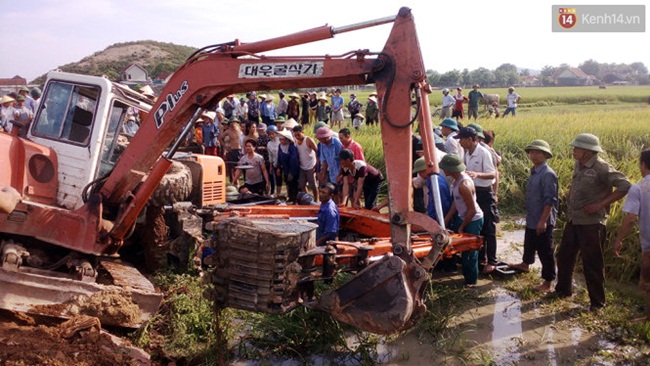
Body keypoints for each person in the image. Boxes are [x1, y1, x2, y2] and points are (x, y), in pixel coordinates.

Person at [555, 133, 631, 310]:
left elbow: (625, 185)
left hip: (592, 224)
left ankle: (597, 303)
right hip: (574, 220)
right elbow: (576, 182)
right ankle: (563, 290)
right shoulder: (579, 164)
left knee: (592, 263)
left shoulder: (602, 167)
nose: (573, 151)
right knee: (564, 257)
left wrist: (601, 204)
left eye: (576, 148)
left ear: (588, 152)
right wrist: (571, 192)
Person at [508, 140, 558, 292]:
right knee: (529, 241)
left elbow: (550, 200)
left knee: (545, 250)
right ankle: (525, 265)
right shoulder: (534, 170)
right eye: (532, 152)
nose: (534, 155)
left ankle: (548, 282)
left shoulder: (548, 174)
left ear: (545, 155)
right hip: (532, 216)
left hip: (543, 219)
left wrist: (542, 221)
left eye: (538, 153)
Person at [454, 127, 498, 273]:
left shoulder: (484, 153)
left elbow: (493, 174)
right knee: (476, 225)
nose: (459, 142)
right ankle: (480, 258)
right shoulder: (467, 152)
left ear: (470, 140)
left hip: (485, 193)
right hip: (473, 192)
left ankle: (492, 261)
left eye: (461, 140)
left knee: (489, 228)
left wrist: (477, 175)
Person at [613, 149, 650, 320]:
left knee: (647, 283)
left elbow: (631, 218)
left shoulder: (639, 188)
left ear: (642, 164)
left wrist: (619, 239)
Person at [441, 154, 484, 286]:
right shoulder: (456, 181)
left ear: (450, 169)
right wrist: (445, 220)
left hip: (473, 220)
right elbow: (456, 203)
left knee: (470, 252)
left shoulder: (463, 185)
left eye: (445, 168)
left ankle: (471, 283)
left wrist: (461, 227)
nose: (443, 170)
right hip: (463, 217)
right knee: (455, 245)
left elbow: (472, 210)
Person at [292, 125, 319, 202]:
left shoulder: (308, 140)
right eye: (295, 135)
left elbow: (317, 151)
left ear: (302, 132)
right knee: (302, 185)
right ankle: (308, 199)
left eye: (298, 134)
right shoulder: (295, 141)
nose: (297, 136)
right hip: (302, 166)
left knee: (313, 185)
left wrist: (316, 165)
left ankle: (316, 200)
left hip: (311, 165)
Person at [276, 129, 300, 203]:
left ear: (286, 140)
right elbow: (279, 157)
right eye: (280, 139)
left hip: (293, 169)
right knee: (288, 183)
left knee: (294, 184)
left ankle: (295, 199)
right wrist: (278, 167)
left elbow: (294, 160)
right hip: (285, 168)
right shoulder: (280, 146)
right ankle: (290, 197)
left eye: (282, 139)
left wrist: (292, 172)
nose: (281, 141)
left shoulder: (292, 147)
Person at [220, 117, 243, 184]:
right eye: (232, 122)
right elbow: (220, 138)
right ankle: (234, 182)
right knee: (232, 167)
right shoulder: (228, 131)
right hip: (232, 150)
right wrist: (225, 146)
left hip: (240, 150)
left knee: (240, 167)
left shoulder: (240, 130)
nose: (233, 124)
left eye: (234, 122)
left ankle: (237, 180)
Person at [266, 125, 283, 197]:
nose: (271, 135)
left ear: (276, 133)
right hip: (275, 163)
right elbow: (270, 156)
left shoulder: (280, 141)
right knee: (278, 178)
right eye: (269, 134)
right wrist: (270, 166)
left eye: (272, 133)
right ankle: (278, 193)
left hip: (283, 162)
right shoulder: (269, 144)